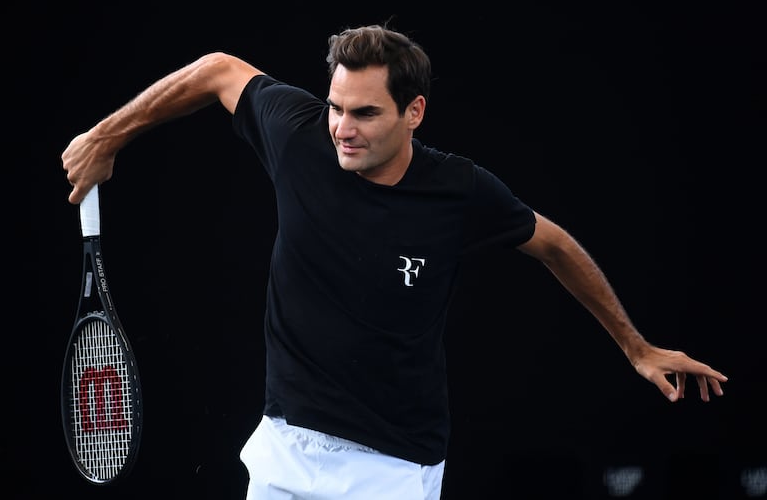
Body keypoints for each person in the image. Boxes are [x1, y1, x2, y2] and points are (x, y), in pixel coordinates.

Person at [61, 24, 728, 500]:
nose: (342, 127)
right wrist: (105, 136)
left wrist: (635, 347)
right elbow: (216, 69)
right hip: (282, 450)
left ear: (414, 112)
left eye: (364, 113)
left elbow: (552, 243)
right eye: (335, 108)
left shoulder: (459, 190)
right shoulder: (300, 137)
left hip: (390, 471)